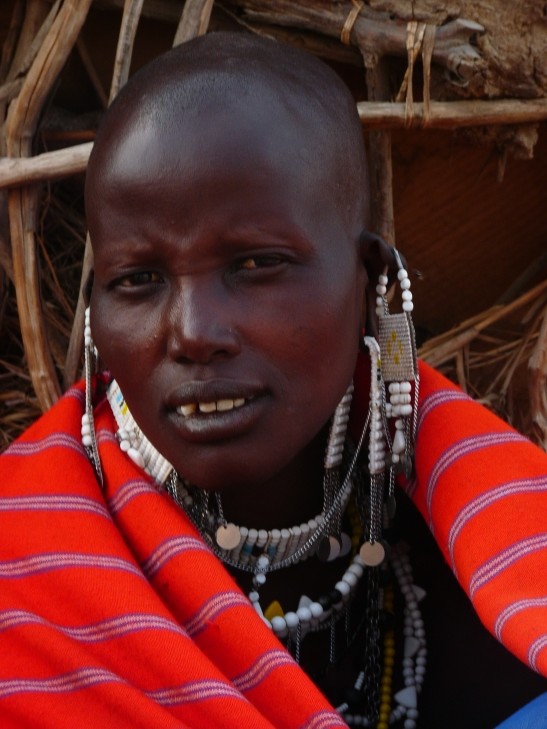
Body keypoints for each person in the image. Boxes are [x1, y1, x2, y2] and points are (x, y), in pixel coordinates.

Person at [0, 32, 546, 729]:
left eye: (256, 264)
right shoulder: (21, 590)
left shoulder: (498, 566)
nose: (193, 332)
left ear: (371, 281)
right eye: (137, 280)